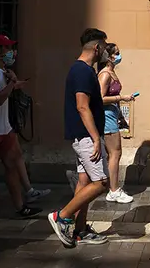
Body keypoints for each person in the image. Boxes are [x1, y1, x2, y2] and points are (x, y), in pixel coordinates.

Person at [47, 28, 110, 247]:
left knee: (84, 182)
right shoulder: (83, 71)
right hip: (86, 137)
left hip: (83, 136)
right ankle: (61, 216)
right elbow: (82, 106)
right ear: (97, 47)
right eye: (104, 47)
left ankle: (80, 230)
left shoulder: (81, 70)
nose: (106, 52)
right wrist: (95, 138)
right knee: (101, 183)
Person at [0, 35, 49, 218]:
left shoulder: (3, 71)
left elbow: (7, 91)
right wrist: (12, 83)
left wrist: (16, 82)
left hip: (5, 128)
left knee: (11, 165)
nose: (12, 52)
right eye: (8, 48)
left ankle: (20, 206)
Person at [98, 43, 135, 204]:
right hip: (106, 117)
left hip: (113, 115)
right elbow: (100, 98)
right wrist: (122, 98)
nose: (120, 56)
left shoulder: (112, 72)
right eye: (117, 53)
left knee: (115, 153)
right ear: (110, 56)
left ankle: (113, 188)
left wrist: (120, 114)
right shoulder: (105, 74)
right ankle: (113, 190)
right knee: (115, 153)